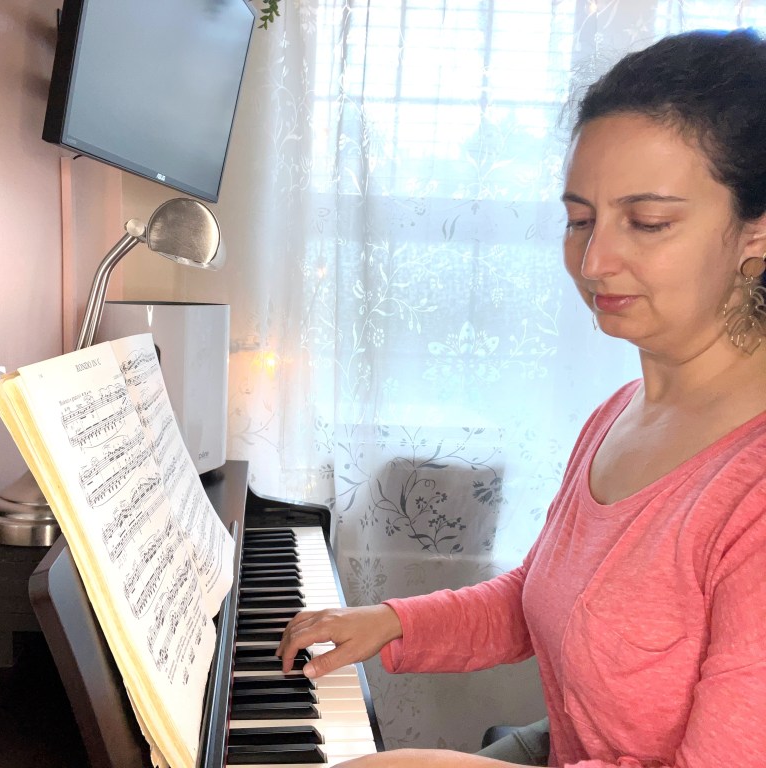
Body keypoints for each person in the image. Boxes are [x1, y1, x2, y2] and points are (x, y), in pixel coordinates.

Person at [276, 28, 766, 768]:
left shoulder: (749, 493)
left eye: (648, 223)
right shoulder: (619, 414)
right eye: (580, 220)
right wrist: (391, 622)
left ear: (755, 233)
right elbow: (541, 597)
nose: (594, 261)